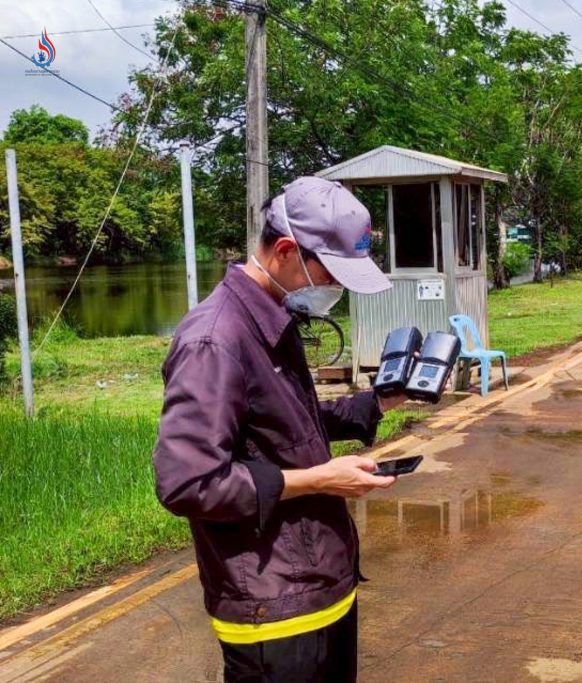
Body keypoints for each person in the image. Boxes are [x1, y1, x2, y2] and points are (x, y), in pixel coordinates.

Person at [153, 177, 404, 682]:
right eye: (331, 275)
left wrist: (377, 402)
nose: (335, 289)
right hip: (272, 610)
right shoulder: (215, 339)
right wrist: (319, 480)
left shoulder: (273, 318)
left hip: (320, 588)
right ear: (286, 251)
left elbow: (287, 423)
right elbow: (188, 482)